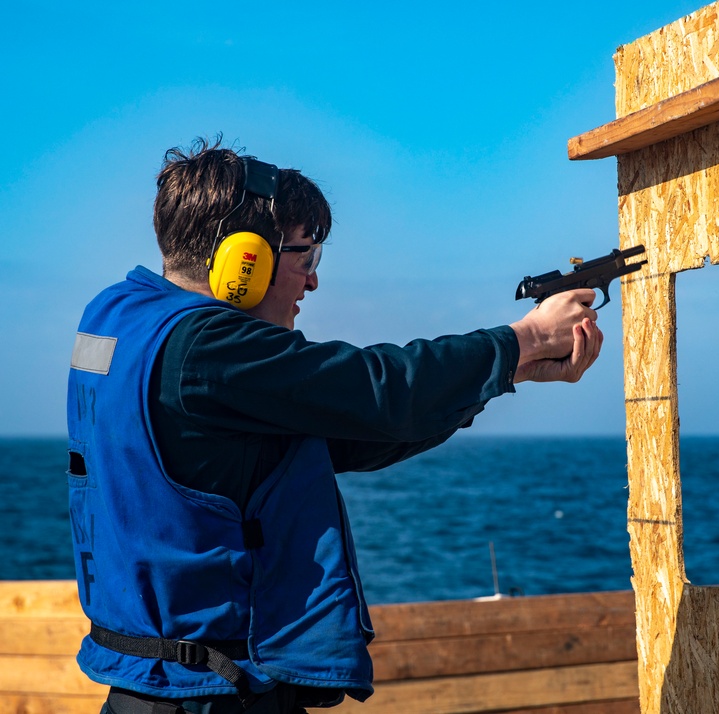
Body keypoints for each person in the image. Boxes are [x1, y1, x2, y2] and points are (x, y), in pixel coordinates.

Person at [67, 137, 602, 714]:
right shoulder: (207, 350)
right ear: (246, 260)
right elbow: (382, 387)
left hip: (156, 687)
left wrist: (508, 372)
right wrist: (526, 338)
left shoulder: (121, 315)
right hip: (211, 695)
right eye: (305, 257)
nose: (313, 281)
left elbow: (352, 429)